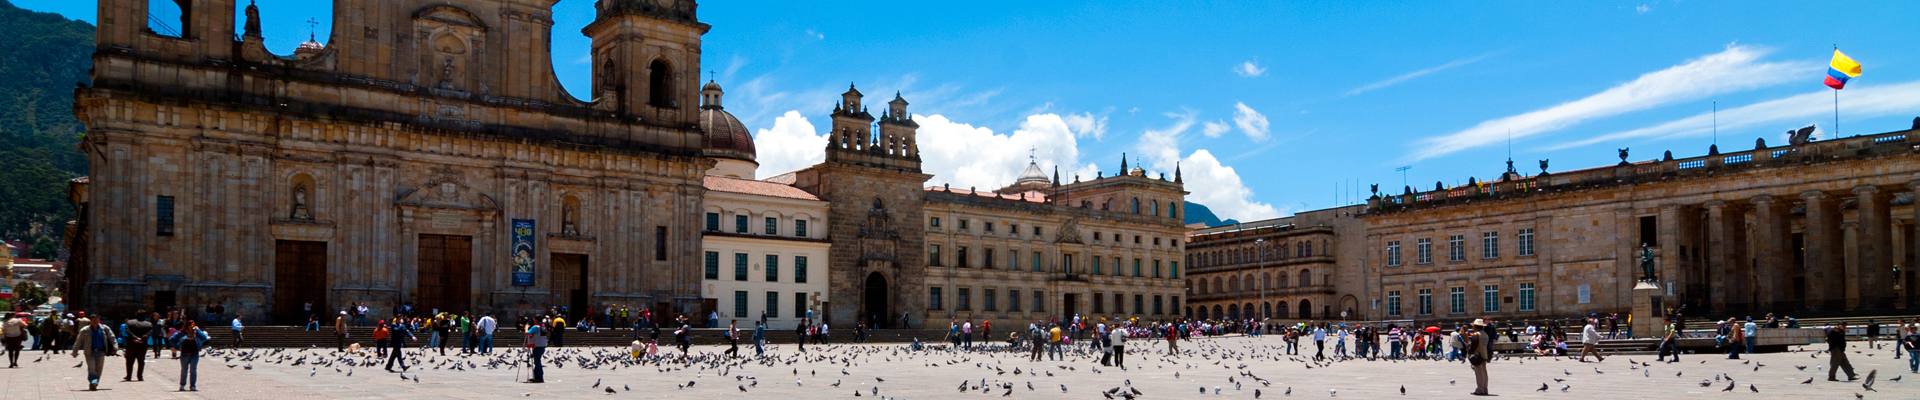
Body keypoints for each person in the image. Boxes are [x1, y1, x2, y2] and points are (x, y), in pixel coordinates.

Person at [72, 314, 118, 391]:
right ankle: (93, 382)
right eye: (93, 319)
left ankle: (95, 383)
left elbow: (112, 337)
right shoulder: (85, 330)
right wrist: (75, 352)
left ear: (99, 320)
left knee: (99, 369)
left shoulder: (105, 329)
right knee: (92, 368)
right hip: (90, 352)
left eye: (96, 319)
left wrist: (115, 347)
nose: (95, 321)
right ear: (90, 320)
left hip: (101, 352)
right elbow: (79, 341)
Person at [169, 320, 209, 391]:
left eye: (193, 325)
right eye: (190, 325)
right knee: (184, 370)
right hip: (184, 354)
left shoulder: (197, 334)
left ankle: (193, 386)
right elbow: (171, 339)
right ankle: (182, 385)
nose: (192, 326)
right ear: (187, 326)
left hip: (194, 354)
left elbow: (205, 338)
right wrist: (177, 347)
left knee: (193, 370)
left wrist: (198, 330)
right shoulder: (182, 333)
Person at [122, 311, 154, 381]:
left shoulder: (130, 322)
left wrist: (134, 337)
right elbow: (150, 332)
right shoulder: (148, 324)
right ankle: (140, 376)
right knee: (141, 361)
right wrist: (142, 338)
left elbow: (128, 331)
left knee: (129, 361)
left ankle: (129, 376)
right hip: (142, 344)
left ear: (136, 315)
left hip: (131, 344)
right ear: (144, 316)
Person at [1465, 319, 1492, 396]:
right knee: (1484, 373)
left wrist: (1469, 352)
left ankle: (1480, 389)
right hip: (1484, 355)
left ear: (1476, 327)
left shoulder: (1476, 334)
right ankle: (1485, 388)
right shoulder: (1485, 335)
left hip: (1477, 356)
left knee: (1479, 373)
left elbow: (1474, 345)